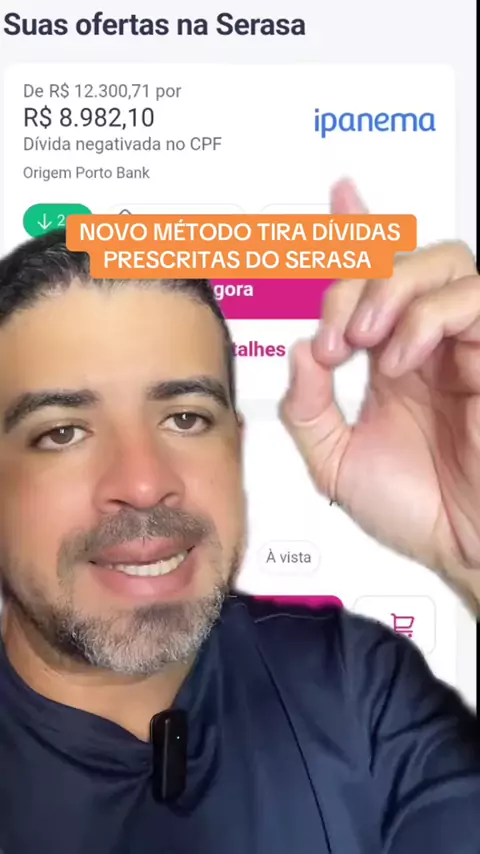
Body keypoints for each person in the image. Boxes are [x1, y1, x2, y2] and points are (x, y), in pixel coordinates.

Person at [0, 180, 479, 854]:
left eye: (185, 418)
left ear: (237, 448)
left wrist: (474, 554)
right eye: (62, 433)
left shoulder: (352, 685)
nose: (144, 484)